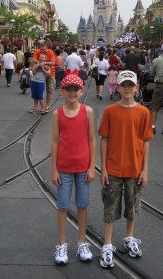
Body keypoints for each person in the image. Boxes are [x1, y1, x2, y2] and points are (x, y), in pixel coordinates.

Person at [98, 70, 153, 269]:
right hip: (113, 168)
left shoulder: (143, 112)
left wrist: (145, 169)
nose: (127, 88)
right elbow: (104, 139)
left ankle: (129, 237)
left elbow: (146, 141)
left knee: (132, 207)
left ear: (137, 87)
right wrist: (103, 168)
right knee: (110, 207)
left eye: (131, 85)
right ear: (118, 87)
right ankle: (107, 243)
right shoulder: (110, 111)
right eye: (124, 85)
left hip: (134, 168)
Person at [51, 71, 96, 265]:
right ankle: (62, 245)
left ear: (80, 91)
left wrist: (92, 167)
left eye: (75, 89)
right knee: (62, 206)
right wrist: (54, 169)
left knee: (82, 205)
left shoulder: (88, 111)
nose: (72, 93)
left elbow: (92, 140)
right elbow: (54, 142)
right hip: (64, 168)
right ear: (62, 92)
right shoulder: (57, 114)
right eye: (68, 89)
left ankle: (82, 242)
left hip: (83, 167)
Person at [33, 41, 56, 112]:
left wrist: (45, 63)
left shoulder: (50, 52)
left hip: (50, 73)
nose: (42, 51)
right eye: (41, 49)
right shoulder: (37, 51)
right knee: (38, 90)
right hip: (39, 74)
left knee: (49, 89)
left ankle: (47, 105)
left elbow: (53, 63)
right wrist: (39, 63)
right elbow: (34, 59)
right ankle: (36, 107)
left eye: (44, 49)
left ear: (47, 48)